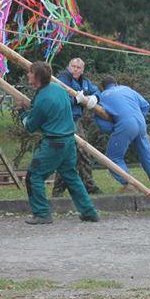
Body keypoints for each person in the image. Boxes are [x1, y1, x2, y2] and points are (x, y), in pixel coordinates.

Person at [18, 61, 99, 225]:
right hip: (69, 141)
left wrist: (21, 112)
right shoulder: (58, 89)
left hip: (54, 143)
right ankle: (89, 212)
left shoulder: (42, 100)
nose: (28, 75)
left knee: (34, 176)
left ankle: (42, 213)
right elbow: (61, 106)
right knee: (71, 177)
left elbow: (30, 126)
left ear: (38, 77)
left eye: (30, 72)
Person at [92, 76, 150, 189]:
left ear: (102, 87)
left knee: (113, 157)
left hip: (125, 124)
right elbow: (145, 105)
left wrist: (115, 129)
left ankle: (128, 184)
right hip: (140, 122)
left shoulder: (102, 96)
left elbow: (103, 124)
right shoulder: (127, 89)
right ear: (116, 83)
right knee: (145, 153)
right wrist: (139, 117)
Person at [54, 57, 101, 195]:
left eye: (78, 67)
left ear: (82, 70)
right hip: (65, 120)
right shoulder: (63, 80)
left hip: (76, 120)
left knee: (70, 154)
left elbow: (97, 91)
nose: (75, 69)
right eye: (73, 66)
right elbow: (60, 101)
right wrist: (75, 100)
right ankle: (87, 185)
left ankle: (60, 189)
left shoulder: (85, 82)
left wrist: (95, 98)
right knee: (82, 151)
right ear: (69, 67)